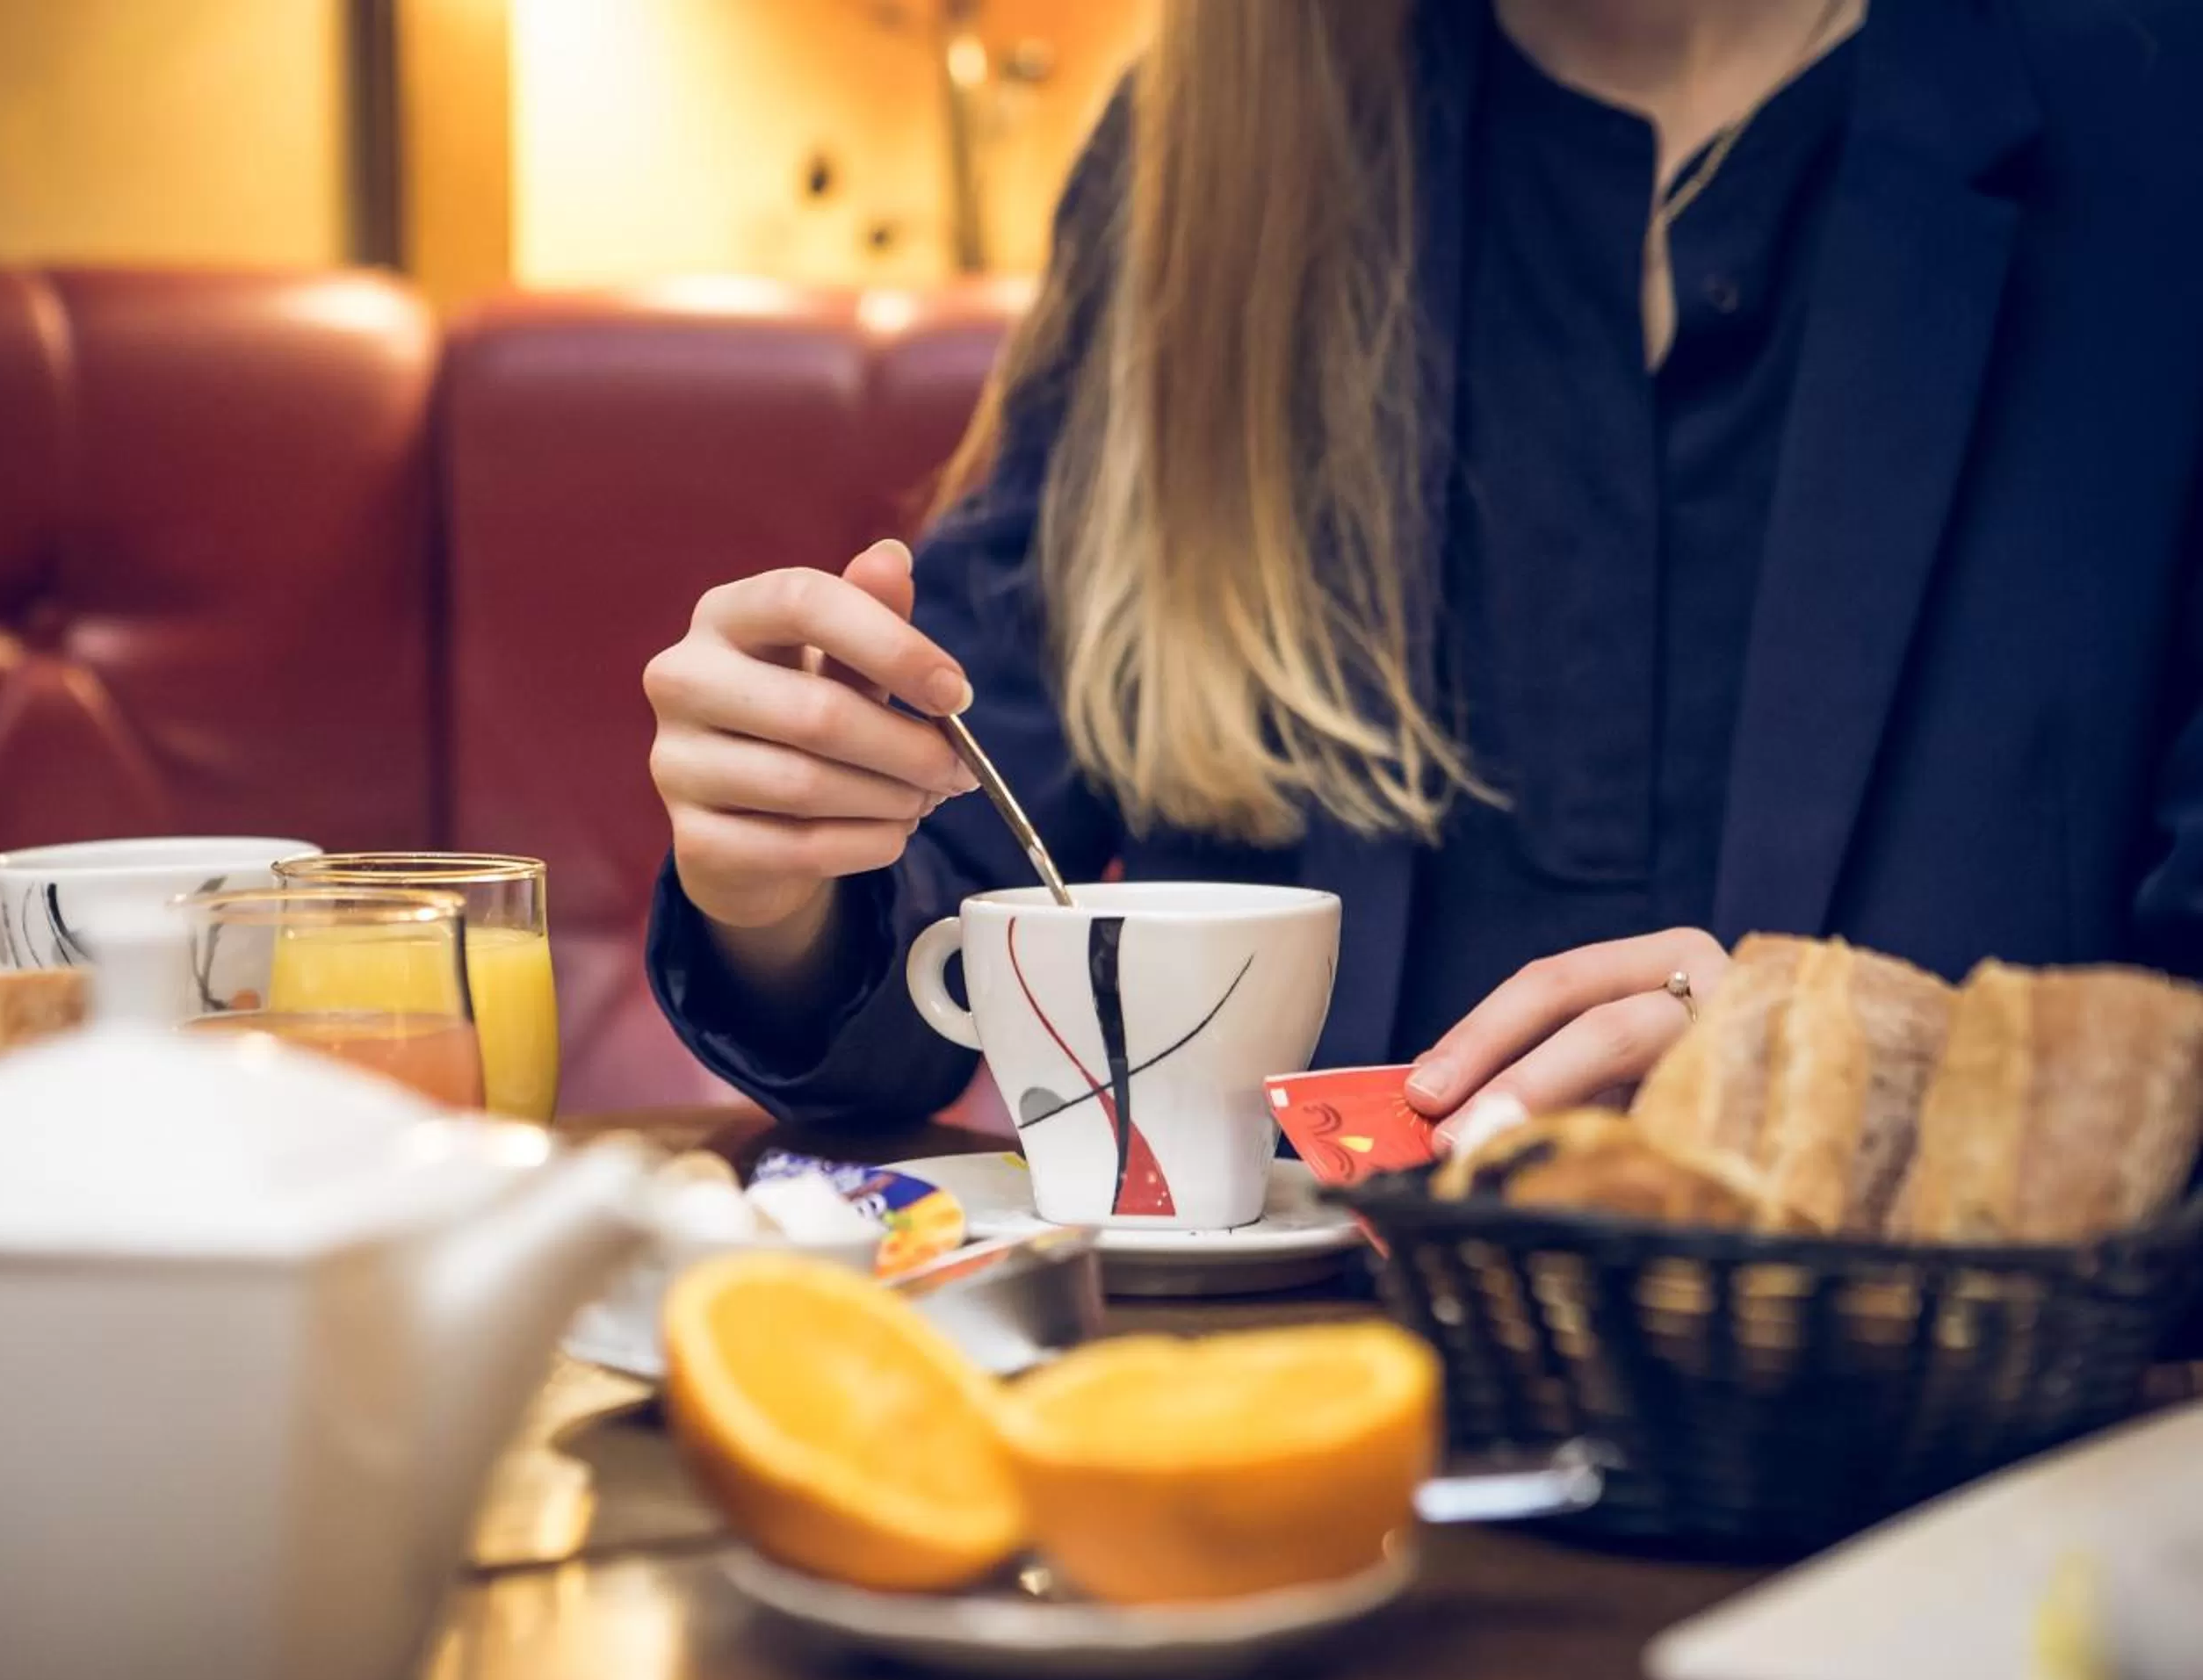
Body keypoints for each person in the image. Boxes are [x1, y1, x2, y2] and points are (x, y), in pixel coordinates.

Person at [642, 0, 2203, 1144]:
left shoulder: (2154, 125)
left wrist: (1871, 1080)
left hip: (1951, 1519)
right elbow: (924, 933)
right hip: (1277, 1471)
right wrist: (776, 878)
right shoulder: (1203, 169)